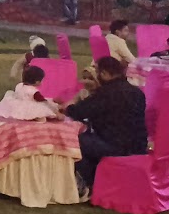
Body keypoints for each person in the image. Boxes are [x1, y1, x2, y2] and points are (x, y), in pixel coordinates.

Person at [62, 57, 148, 196]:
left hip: (114, 146)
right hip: (138, 147)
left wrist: (68, 107)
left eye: (98, 73)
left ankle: (87, 182)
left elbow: (80, 111)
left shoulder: (106, 93)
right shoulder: (137, 93)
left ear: (105, 74)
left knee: (76, 140)